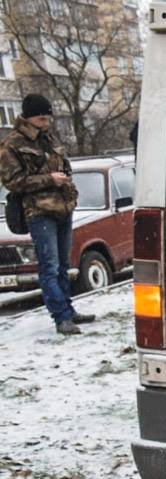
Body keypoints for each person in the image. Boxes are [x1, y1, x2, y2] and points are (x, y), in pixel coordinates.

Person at [0, 94, 94, 335]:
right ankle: (61, 317)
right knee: (49, 267)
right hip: (39, 211)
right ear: (29, 116)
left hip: (63, 207)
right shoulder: (12, 144)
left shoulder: (48, 138)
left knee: (63, 265)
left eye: (47, 115)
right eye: (42, 116)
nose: (46, 119)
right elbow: (12, 181)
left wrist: (68, 187)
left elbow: (64, 165)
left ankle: (69, 311)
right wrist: (49, 179)